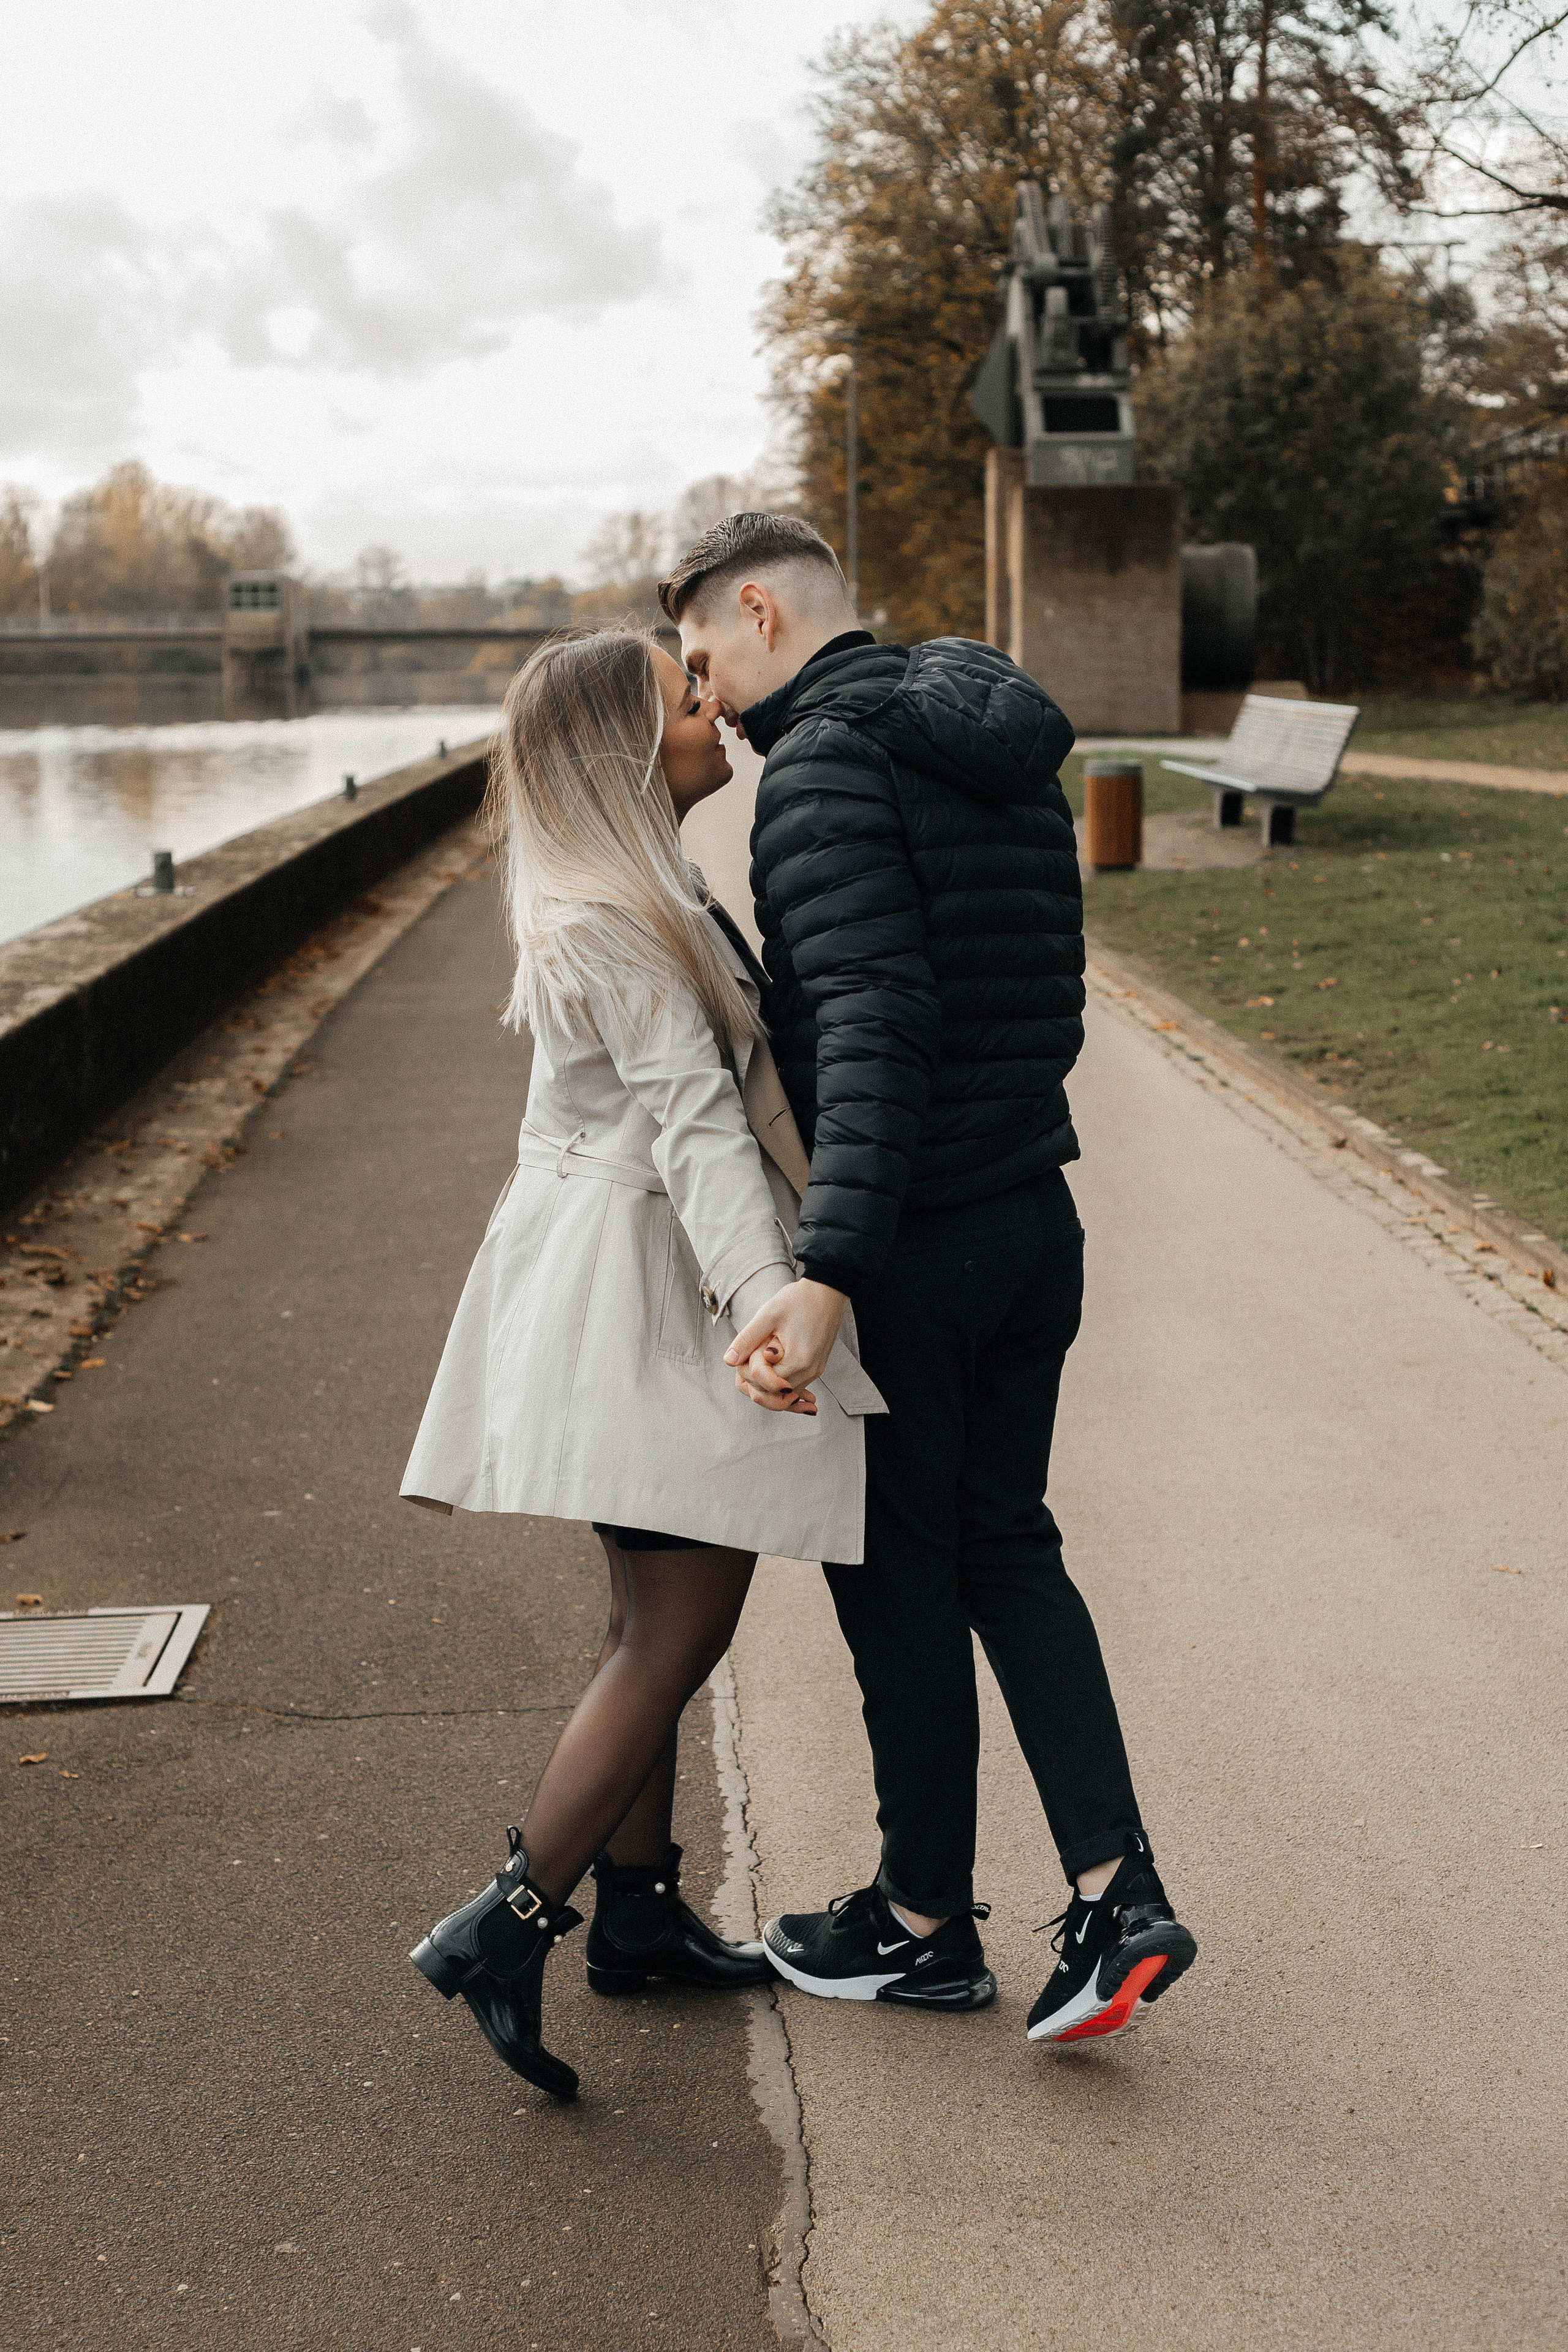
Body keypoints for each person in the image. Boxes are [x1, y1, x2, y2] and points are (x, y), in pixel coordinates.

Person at [663, 513, 1197, 2045]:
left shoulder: (823, 768)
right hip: (1030, 1212)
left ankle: (918, 1926)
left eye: (701, 659)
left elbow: (873, 1017)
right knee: (1005, 1546)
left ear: (759, 611)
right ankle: (1115, 1895)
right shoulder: (990, 733)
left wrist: (830, 1265)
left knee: (895, 1569)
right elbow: (1032, 988)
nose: (704, 699)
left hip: (912, 1241)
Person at [399, 626, 884, 2100]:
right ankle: (506, 1926)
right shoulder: (613, 913)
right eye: (682, 699)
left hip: (606, 1274)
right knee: (678, 1621)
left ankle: (638, 1916)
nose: (710, 709)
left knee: (641, 1617)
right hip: (643, 1287)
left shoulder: (620, 883)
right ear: (621, 748)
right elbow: (696, 1129)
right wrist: (772, 1300)